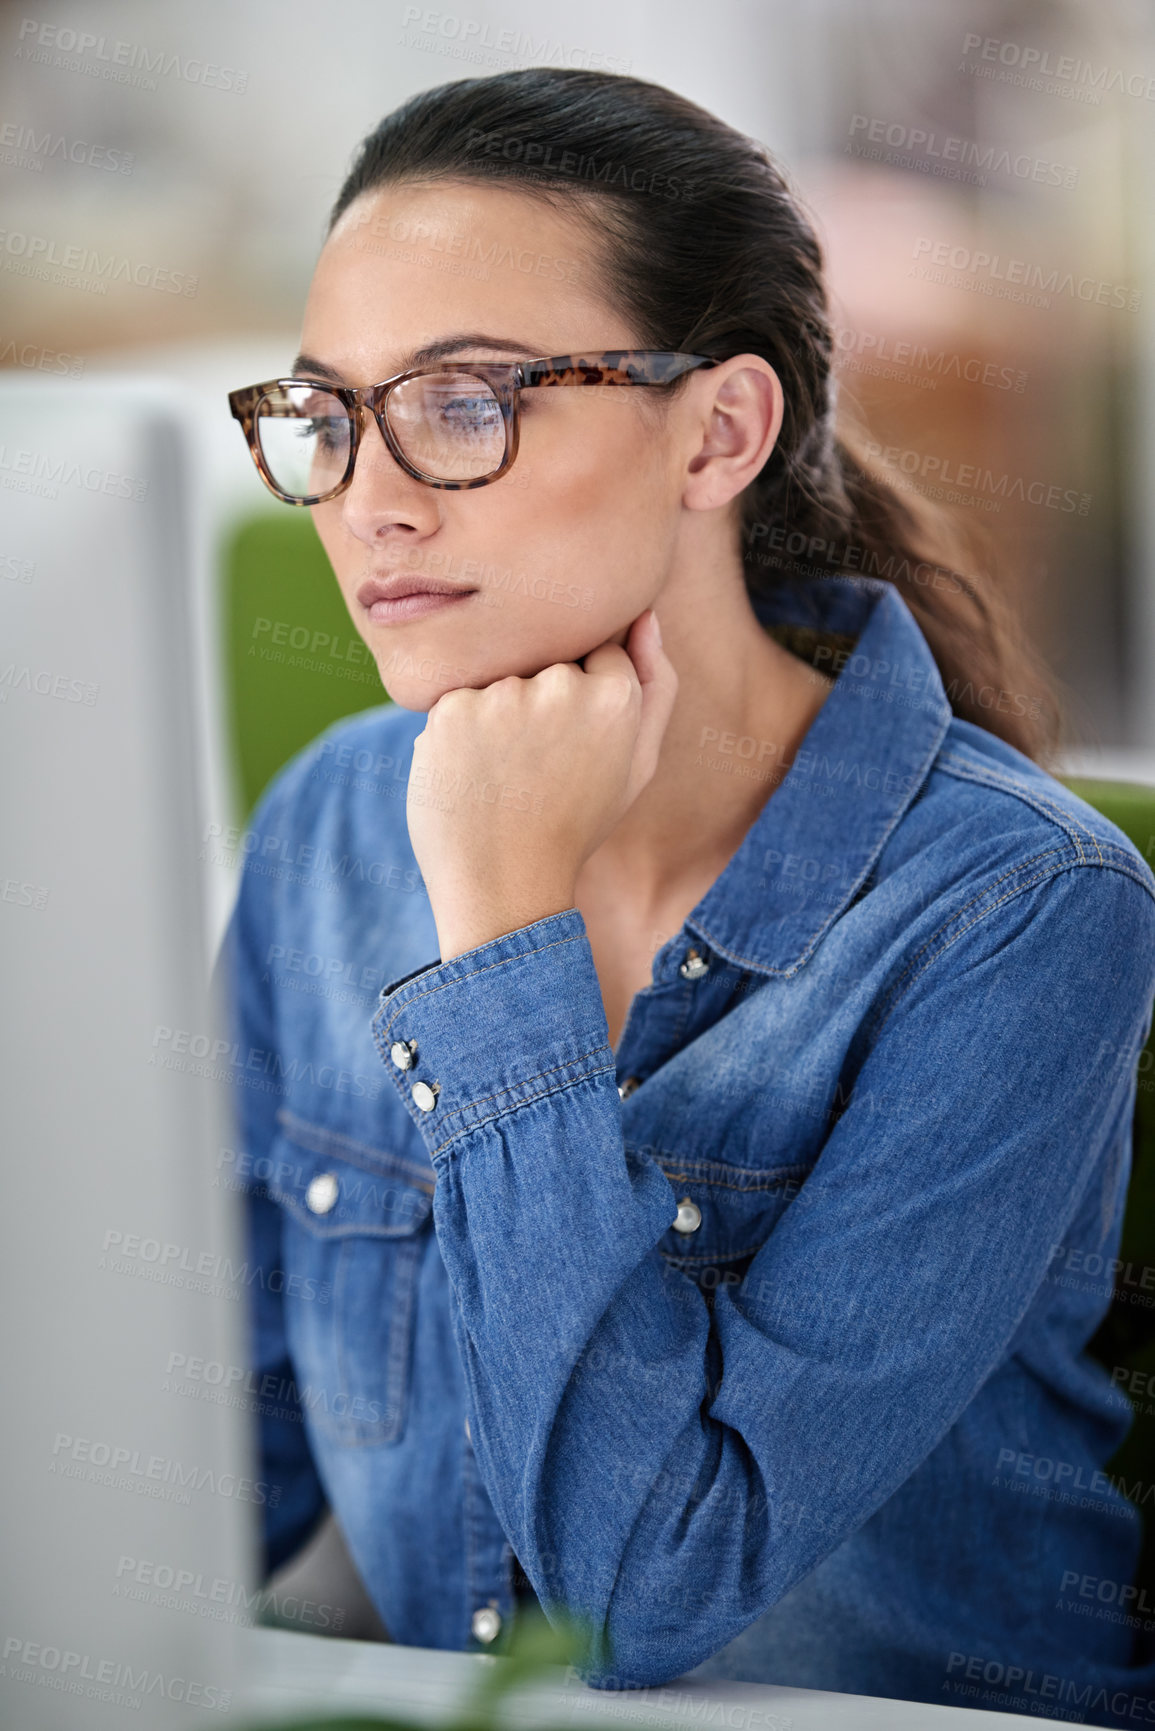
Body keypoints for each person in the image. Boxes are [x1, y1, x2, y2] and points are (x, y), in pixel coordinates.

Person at [218, 66, 1155, 1727]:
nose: (368, 498)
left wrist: (502, 935)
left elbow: (641, 1596)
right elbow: (217, 1463)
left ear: (721, 429)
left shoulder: (1019, 909)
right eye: (328, 413)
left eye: (465, 401)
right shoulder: (331, 830)